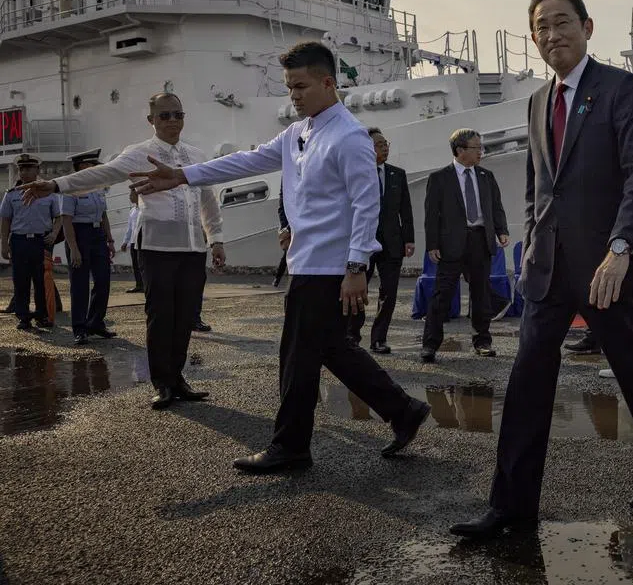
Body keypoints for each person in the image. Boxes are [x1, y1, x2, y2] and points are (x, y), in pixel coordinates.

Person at [450, 0, 633, 540]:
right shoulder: (538, 100)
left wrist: (621, 249)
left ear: (587, 27)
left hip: (604, 264)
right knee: (527, 379)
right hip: (549, 264)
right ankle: (511, 504)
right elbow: (540, 186)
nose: (551, 34)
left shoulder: (619, 89)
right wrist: (528, 247)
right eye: (541, 26)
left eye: (562, 22)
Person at [129, 41, 431, 472]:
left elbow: (368, 206)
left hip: (329, 269)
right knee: (327, 349)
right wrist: (181, 176)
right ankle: (402, 411)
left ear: (328, 83)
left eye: (301, 86)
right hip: (305, 263)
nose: (293, 96)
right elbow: (244, 162)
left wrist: (357, 267)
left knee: (298, 359)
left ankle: (291, 446)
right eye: (290, 88)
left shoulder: (350, 137)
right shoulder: (297, 133)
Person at [20, 94, 224, 409]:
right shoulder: (139, 154)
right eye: (165, 115)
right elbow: (101, 174)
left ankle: (178, 378)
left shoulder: (196, 155)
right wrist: (58, 184)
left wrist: (216, 238)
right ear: (152, 120)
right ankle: (163, 383)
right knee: (161, 315)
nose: (172, 121)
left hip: (194, 247)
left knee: (184, 316)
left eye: (177, 114)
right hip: (157, 247)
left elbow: (208, 199)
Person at [421, 128, 509, 361]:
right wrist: (432, 244)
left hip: (481, 240)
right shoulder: (439, 178)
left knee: (481, 294)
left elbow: (495, 206)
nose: (481, 151)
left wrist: (502, 231)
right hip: (451, 244)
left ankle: (482, 341)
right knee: (442, 295)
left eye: (481, 147)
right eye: (476, 147)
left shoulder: (486, 176)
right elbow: (431, 216)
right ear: (460, 150)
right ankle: (430, 344)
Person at [353, 128, 414, 354]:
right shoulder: (357, 174)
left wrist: (409, 239)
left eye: (385, 143)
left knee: (389, 293)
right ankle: (352, 336)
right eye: (379, 144)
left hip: (392, 242)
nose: (384, 147)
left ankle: (379, 338)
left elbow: (405, 210)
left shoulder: (397, 174)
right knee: (359, 291)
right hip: (363, 242)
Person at [60, 149, 117, 344]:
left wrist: (109, 240)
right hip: (79, 235)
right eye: (91, 165)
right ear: (82, 167)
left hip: (98, 236)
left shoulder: (98, 187)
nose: (94, 168)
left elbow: (103, 216)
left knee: (103, 281)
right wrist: (74, 248)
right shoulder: (70, 188)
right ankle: (79, 327)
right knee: (80, 284)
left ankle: (95, 322)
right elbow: (66, 220)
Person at [2, 154, 60, 331]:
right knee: (21, 280)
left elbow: (58, 216)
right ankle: (23, 316)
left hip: (40, 241)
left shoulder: (49, 193)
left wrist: (54, 234)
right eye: (21, 169)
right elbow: (5, 220)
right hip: (19, 241)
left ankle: (42, 315)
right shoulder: (11, 195)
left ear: (37, 171)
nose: (24, 172)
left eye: (28, 168)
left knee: (41, 280)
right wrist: (4, 243)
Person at [120, 189, 144, 292]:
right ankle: (139, 285)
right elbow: (130, 228)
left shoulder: (144, 209)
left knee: (143, 264)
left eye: (131, 194)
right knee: (135, 264)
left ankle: (146, 284)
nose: (130, 197)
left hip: (143, 241)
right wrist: (125, 241)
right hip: (133, 241)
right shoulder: (132, 210)